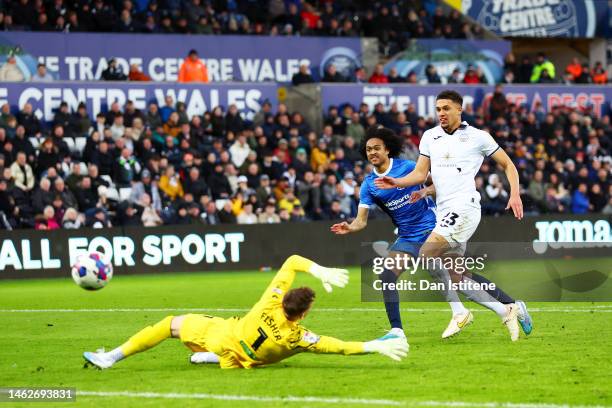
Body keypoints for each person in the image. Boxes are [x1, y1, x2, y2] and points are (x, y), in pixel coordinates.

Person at [372, 91, 533, 341]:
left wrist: (515, 194)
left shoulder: (478, 137)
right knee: (457, 276)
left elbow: (508, 165)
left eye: (446, 108)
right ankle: (509, 308)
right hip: (445, 211)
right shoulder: (430, 137)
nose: (441, 114)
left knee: (426, 253)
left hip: (465, 207)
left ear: (460, 109)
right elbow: (419, 174)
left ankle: (461, 312)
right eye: (438, 109)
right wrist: (397, 182)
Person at [83, 255, 408, 369]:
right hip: (245, 361)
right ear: (303, 314)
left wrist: (319, 270)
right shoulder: (296, 337)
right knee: (265, 354)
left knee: (171, 324)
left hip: (223, 337)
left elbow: (293, 261)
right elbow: (335, 347)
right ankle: (211, 358)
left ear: (282, 302)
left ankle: (110, 357)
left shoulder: (270, 301)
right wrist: (373, 345)